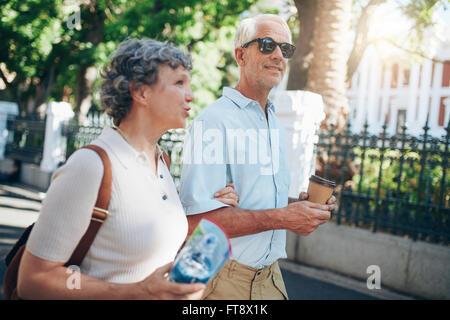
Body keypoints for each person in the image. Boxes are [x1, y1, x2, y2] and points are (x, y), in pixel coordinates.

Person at [16, 38, 239, 300]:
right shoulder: (90, 166)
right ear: (141, 92)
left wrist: (209, 214)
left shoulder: (162, 163)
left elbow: (143, 247)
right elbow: (34, 280)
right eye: (179, 83)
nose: (190, 94)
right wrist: (134, 292)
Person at [179, 14, 336, 300]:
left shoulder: (273, 121)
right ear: (240, 55)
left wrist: (299, 208)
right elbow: (195, 224)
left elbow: (257, 200)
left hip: (271, 277)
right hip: (220, 277)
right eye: (266, 45)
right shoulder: (214, 121)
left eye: (285, 49)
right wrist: (284, 218)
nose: (278, 55)